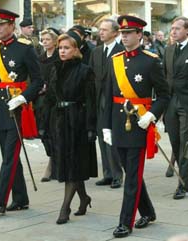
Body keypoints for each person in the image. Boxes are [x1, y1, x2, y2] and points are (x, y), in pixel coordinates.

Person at [103, 15, 170, 238]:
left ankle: (125, 222)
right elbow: (109, 96)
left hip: (139, 125)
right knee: (132, 172)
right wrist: (106, 126)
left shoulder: (151, 60)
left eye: (128, 32)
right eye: (122, 32)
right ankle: (148, 212)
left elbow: (163, 95)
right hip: (119, 125)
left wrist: (151, 114)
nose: (124, 36)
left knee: (131, 176)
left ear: (139, 35)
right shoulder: (115, 60)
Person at [0, 9, 43, 213]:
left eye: (1, 25)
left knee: (10, 156)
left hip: (18, 109)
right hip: (1, 109)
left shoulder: (25, 48)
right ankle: (20, 198)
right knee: (9, 156)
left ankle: (0, 201)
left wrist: (23, 97)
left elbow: (38, 80)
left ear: (11, 26)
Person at [43, 30, 97, 224]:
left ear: (76, 50)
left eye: (67, 48)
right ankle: (83, 198)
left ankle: (64, 208)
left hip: (78, 122)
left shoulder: (85, 71)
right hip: (59, 121)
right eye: (60, 48)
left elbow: (91, 101)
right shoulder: (54, 69)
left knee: (74, 164)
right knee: (69, 165)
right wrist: (44, 124)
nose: (62, 51)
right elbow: (49, 98)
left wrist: (91, 127)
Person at [90, 18, 124, 189]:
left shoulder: (121, 51)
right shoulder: (96, 52)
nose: (101, 32)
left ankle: (118, 174)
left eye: (105, 29)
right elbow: (91, 76)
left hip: (114, 100)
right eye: (100, 29)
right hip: (98, 99)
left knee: (113, 137)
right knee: (102, 137)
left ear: (115, 33)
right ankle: (108, 173)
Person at [163, 16, 188, 200]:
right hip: (171, 102)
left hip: (186, 103)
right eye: (172, 28)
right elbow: (165, 77)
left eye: (177, 28)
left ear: (187, 30)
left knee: (184, 143)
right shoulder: (169, 50)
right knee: (174, 142)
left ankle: (183, 183)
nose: (173, 31)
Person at [37, 29, 59, 182]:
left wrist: (49, 87)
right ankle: (52, 157)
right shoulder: (40, 58)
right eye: (43, 39)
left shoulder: (59, 57)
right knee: (42, 132)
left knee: (54, 132)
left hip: (55, 99)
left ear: (54, 41)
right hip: (41, 100)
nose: (45, 42)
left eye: (47, 39)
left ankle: (53, 164)